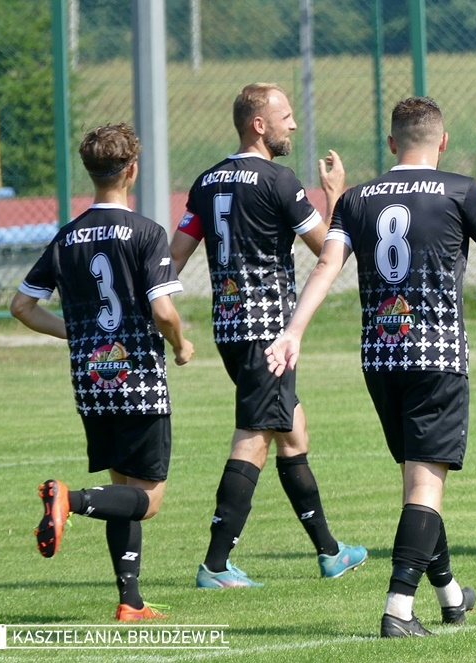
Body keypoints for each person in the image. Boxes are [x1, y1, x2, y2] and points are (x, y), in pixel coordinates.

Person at [264, 97, 476, 637]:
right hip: (436, 357)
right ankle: (399, 609)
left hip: (380, 358)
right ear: (443, 142)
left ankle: (451, 594)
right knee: (424, 489)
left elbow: (326, 265)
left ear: (391, 144)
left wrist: (293, 331)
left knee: (418, 481)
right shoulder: (461, 191)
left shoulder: (357, 198)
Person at [169, 83, 366, 587]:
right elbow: (328, 249)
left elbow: (175, 258)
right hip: (269, 334)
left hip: (230, 327)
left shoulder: (207, 181)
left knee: (292, 431)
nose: (293, 125)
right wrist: (336, 196)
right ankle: (215, 565)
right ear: (259, 125)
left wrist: (157, 313)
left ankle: (330, 552)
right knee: (254, 438)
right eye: (286, 116)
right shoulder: (279, 180)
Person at [10, 123, 194, 620]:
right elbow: (163, 311)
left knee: (123, 490)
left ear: (90, 172)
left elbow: (22, 306)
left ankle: (130, 600)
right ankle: (67, 500)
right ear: (132, 170)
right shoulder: (147, 233)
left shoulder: (66, 237)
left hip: (92, 385)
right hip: (139, 384)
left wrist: (76, 334)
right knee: (147, 501)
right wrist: (181, 344)